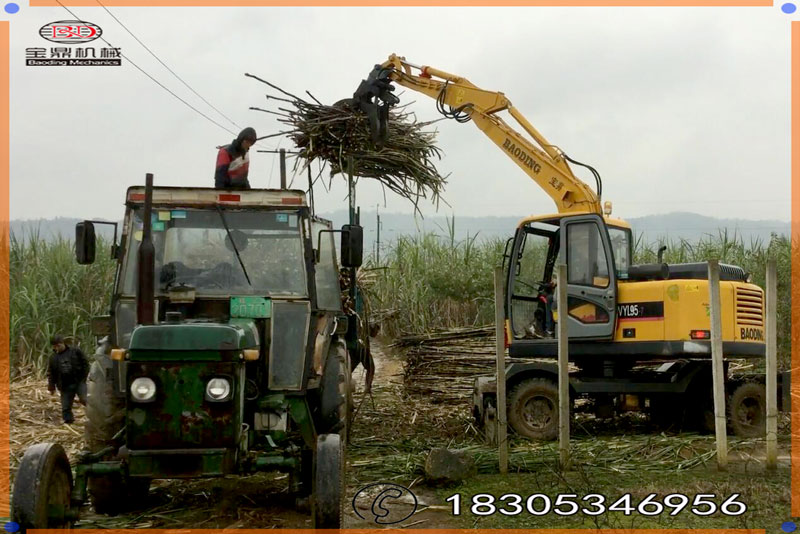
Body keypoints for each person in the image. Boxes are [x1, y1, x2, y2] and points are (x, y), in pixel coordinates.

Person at [47, 335, 89, 424]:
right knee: (66, 406)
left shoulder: (75, 351)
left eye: (58, 345)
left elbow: (85, 363)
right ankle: (69, 422)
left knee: (84, 399)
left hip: (78, 381)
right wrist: (51, 387)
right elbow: (51, 373)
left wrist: (84, 376)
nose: (57, 348)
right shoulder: (53, 358)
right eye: (55, 346)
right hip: (64, 385)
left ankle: (94, 415)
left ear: (63, 343)